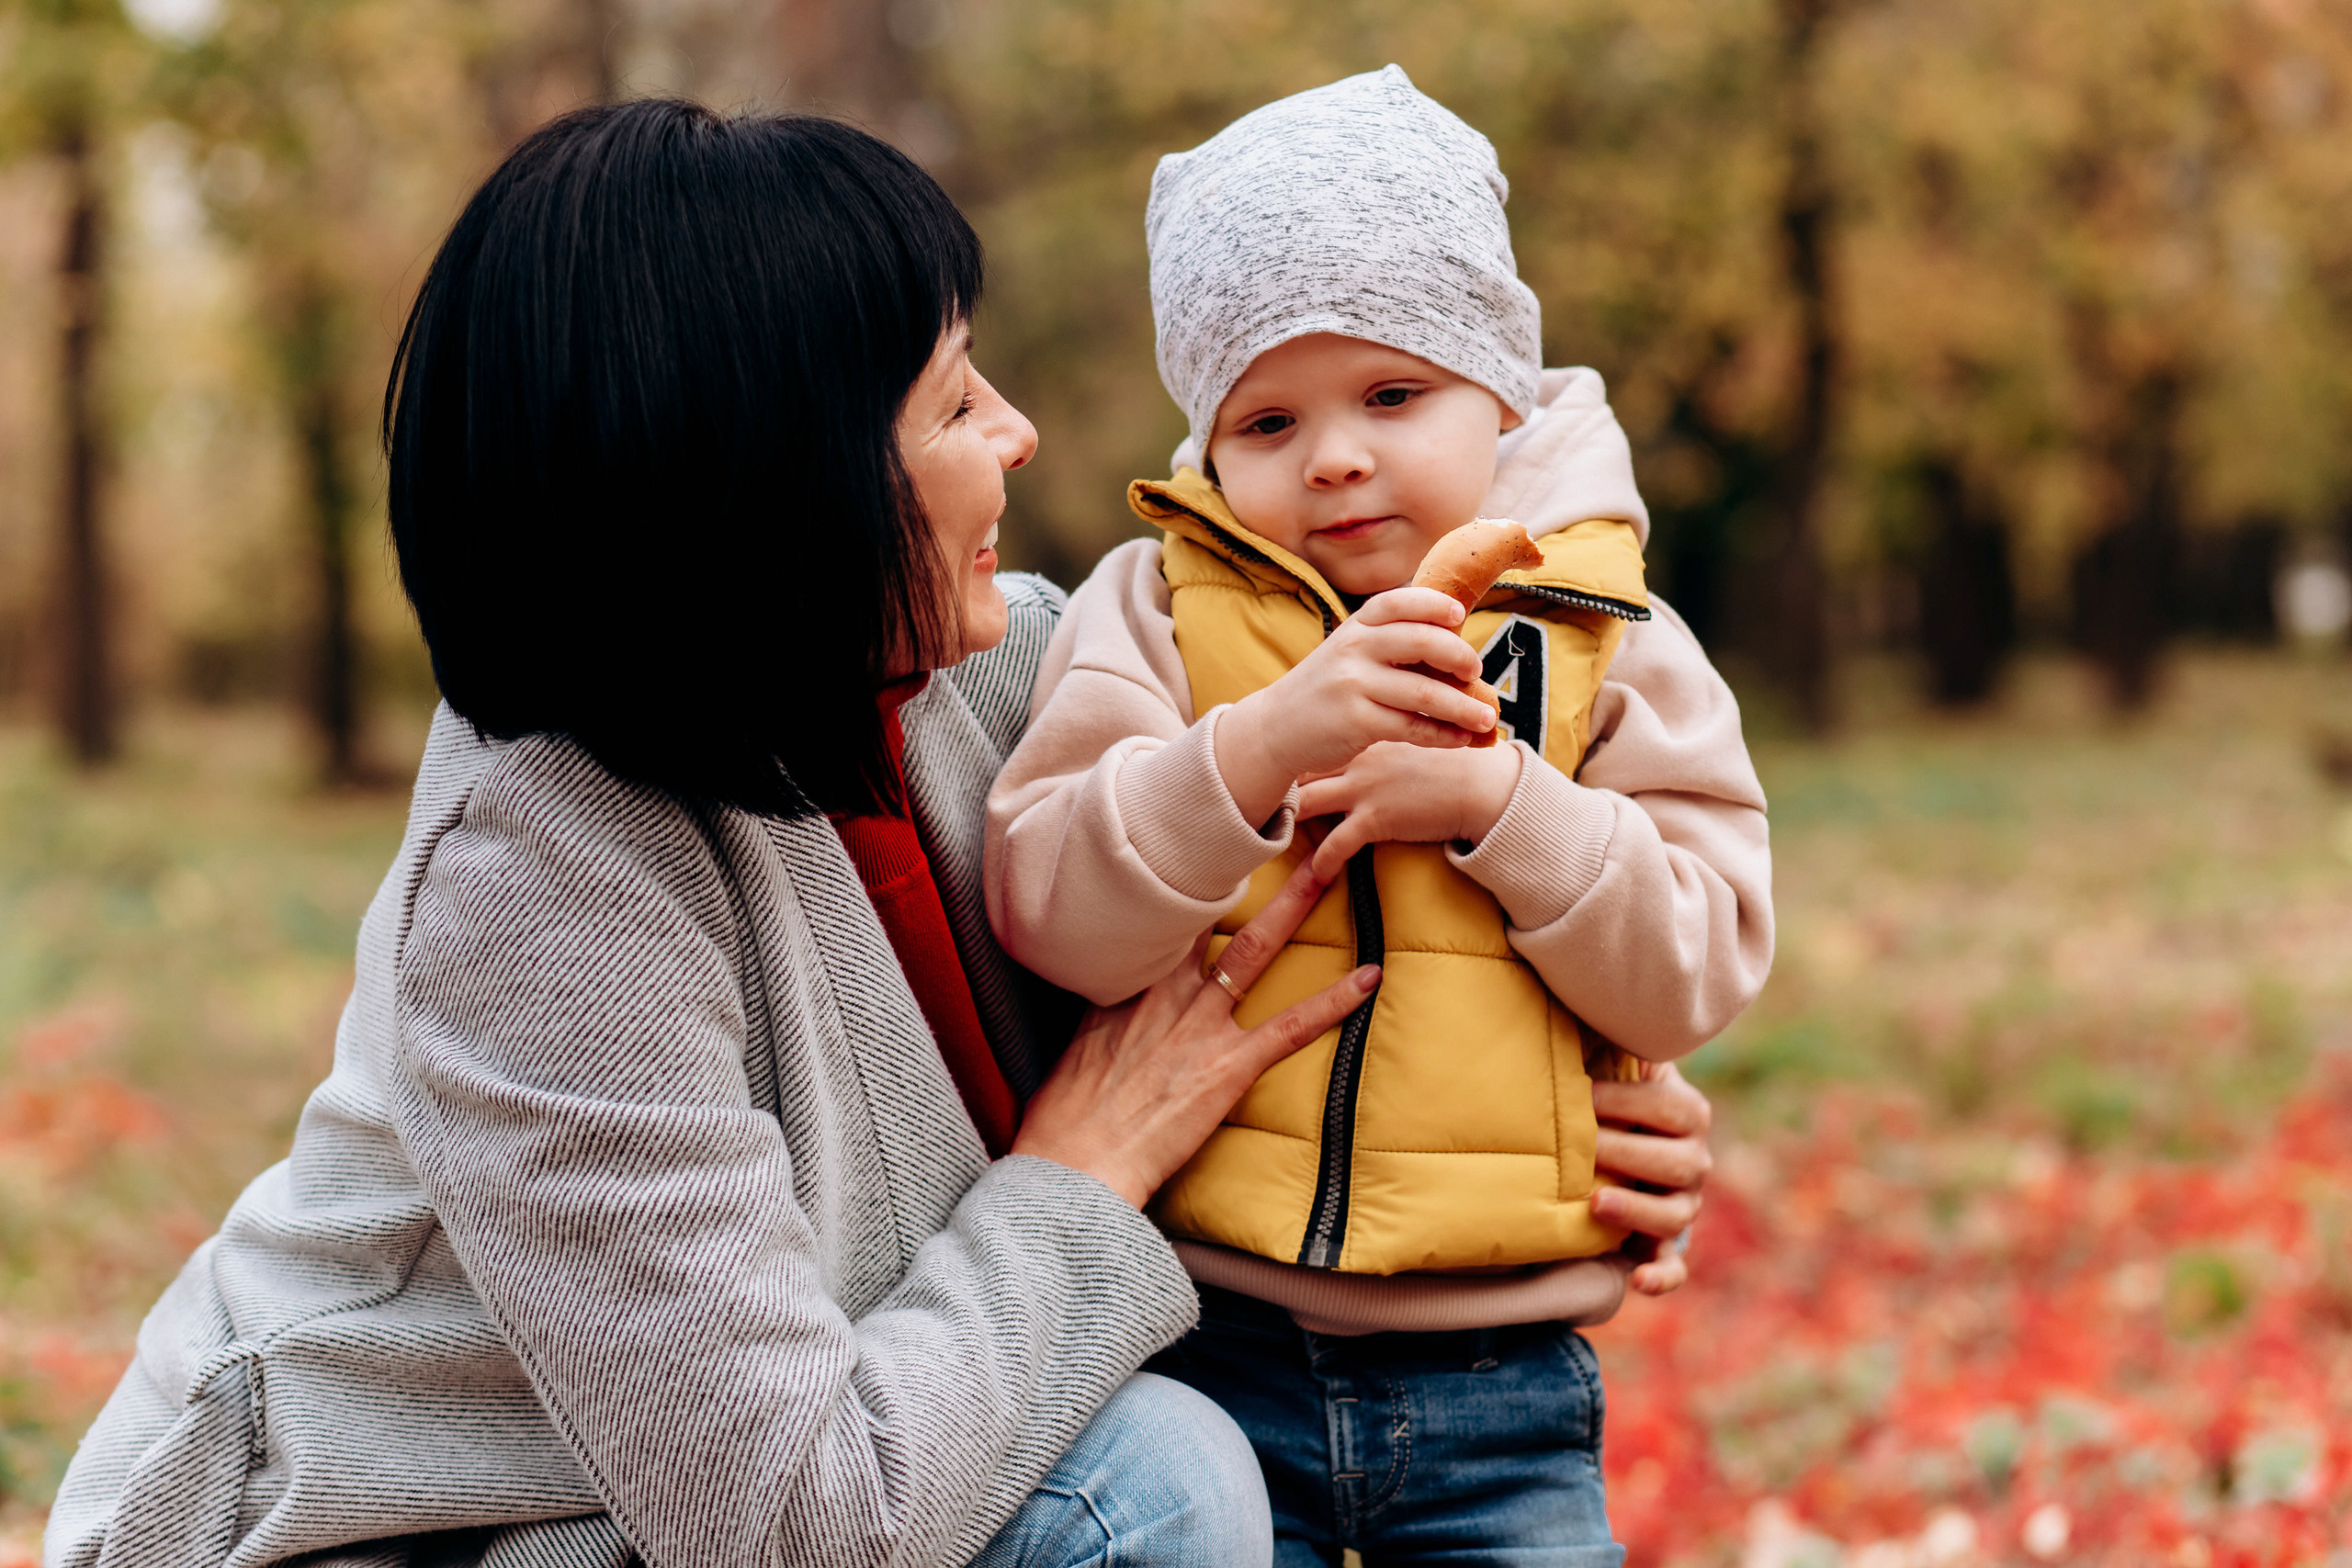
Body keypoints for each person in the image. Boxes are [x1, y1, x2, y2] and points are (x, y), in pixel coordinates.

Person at [45, 99, 1715, 1568]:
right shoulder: (541, 888)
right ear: (779, 483)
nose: (1020, 434)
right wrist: (1085, 1171)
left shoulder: (999, 674)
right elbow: (796, 1529)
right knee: (1148, 1483)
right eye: (953, 402)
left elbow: (1312, 921)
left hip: (752, 1485)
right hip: (421, 1533)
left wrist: (1543, 1113)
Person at [985, 67, 1771, 1566]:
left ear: (1502, 389)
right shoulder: (1155, 614)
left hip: (1503, 1373)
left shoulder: (1603, 634)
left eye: (1393, 396)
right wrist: (1253, 752)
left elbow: (1701, 964)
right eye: (1269, 418)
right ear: (1210, 440)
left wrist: (1502, 804)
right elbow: (1054, 914)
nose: (1335, 454)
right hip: (1209, 1340)